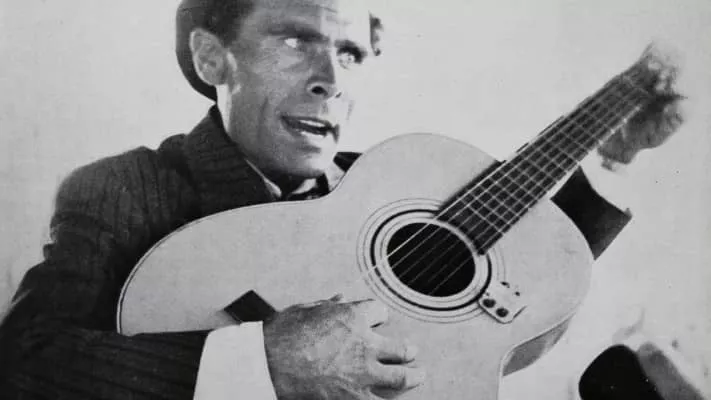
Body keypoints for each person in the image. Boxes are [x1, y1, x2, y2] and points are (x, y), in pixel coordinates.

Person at [0, 0, 684, 399]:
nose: (329, 78)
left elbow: (533, 266)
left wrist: (612, 158)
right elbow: (23, 361)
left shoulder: (393, 184)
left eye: (351, 53)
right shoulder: (126, 187)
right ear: (212, 58)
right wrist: (264, 362)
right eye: (295, 39)